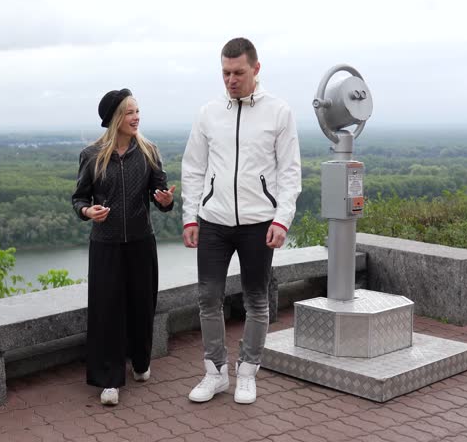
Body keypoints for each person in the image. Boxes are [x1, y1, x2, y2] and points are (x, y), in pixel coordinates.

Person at [181, 37, 301, 404]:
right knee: (207, 299)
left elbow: (290, 172)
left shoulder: (278, 112)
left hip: (258, 222)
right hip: (213, 220)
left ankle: (247, 372)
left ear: (256, 69)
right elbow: (193, 168)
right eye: (225, 73)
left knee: (256, 301)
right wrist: (191, 216)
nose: (231, 79)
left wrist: (281, 220)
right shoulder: (208, 113)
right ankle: (215, 372)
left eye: (238, 72)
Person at [72, 88, 175, 406]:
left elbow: (162, 197)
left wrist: (167, 200)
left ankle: (141, 362)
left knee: (142, 305)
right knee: (107, 311)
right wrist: (88, 212)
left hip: (142, 243)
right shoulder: (91, 155)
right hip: (105, 245)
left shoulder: (149, 151)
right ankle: (110, 380)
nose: (136, 117)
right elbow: (79, 198)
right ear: (116, 118)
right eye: (130, 112)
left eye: (137, 111)